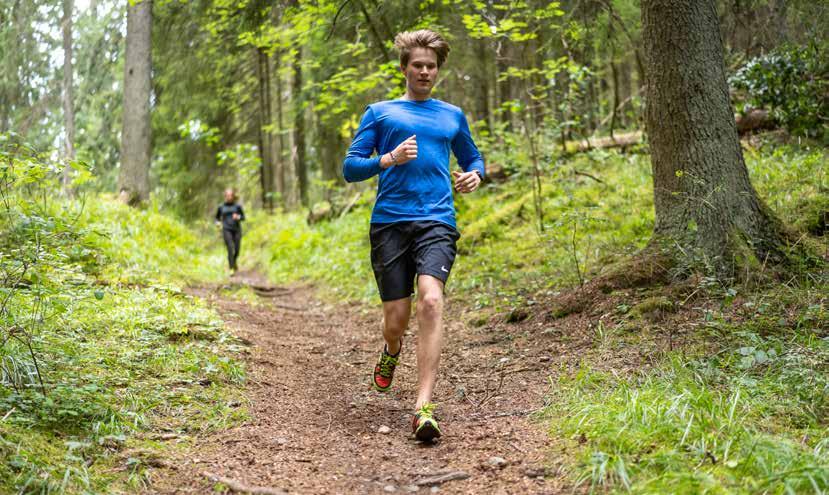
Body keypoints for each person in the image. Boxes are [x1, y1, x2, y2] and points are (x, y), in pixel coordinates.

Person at [342, 30, 485, 441]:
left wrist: (475, 173)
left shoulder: (452, 116)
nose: (424, 71)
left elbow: (472, 156)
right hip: (389, 222)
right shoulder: (381, 113)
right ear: (404, 68)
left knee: (432, 300)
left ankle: (423, 406)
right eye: (417, 65)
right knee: (396, 321)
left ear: (438, 71)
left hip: (437, 220)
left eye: (431, 66)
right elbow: (351, 167)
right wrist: (388, 159)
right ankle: (391, 351)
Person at [215, 188, 245, 272]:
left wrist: (238, 217)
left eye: (230, 195)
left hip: (236, 229)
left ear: (233, 196)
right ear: (225, 196)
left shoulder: (237, 206)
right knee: (230, 248)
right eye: (227, 195)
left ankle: (234, 261)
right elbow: (217, 218)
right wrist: (217, 223)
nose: (229, 197)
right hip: (226, 229)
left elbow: (243, 217)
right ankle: (231, 267)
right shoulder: (221, 207)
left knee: (237, 249)